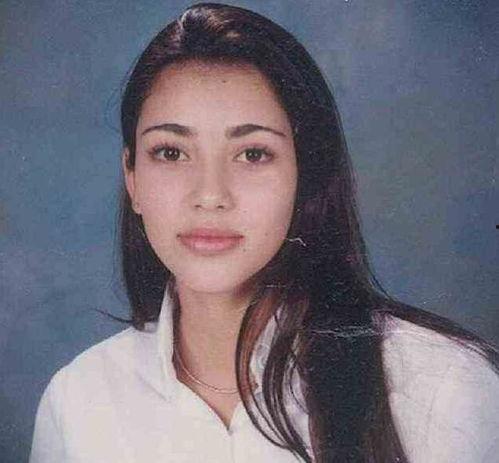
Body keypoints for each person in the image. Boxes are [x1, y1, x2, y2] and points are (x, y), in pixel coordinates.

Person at [29, 3, 499, 462]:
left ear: (305, 174)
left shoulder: (441, 388)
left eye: (252, 154)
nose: (210, 195)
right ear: (132, 178)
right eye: (171, 153)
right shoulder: (79, 403)